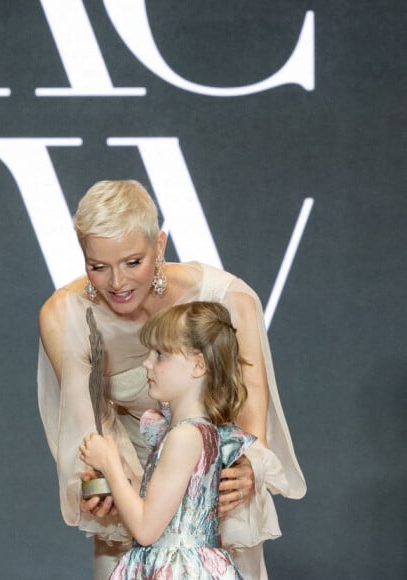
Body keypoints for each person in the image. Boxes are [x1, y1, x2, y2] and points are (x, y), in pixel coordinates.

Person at [38, 180, 306, 579]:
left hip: (214, 495)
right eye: (98, 267)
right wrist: (103, 486)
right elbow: (91, 432)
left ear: (159, 244)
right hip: (128, 498)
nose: (117, 283)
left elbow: (251, 422)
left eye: (133, 262)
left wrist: (249, 468)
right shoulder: (67, 316)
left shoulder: (226, 299)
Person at [79, 301, 257, 579]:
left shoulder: (185, 437)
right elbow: (162, 505)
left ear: (199, 365)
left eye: (160, 355)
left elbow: (147, 530)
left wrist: (110, 462)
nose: (146, 363)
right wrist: (114, 483)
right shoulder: (197, 432)